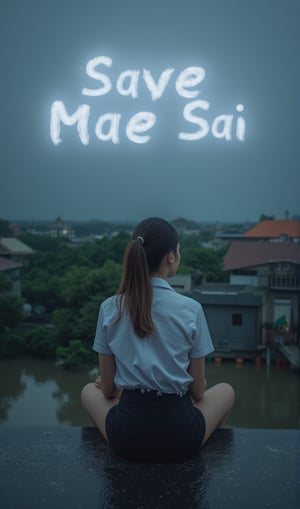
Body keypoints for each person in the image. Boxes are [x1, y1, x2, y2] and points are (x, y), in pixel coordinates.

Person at [81, 217, 234, 461]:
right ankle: (201, 460)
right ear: (170, 257)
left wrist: (128, 386)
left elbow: (107, 390)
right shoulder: (191, 309)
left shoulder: (110, 308)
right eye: (179, 250)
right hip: (181, 437)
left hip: (127, 436)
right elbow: (198, 393)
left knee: (89, 390)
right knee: (226, 390)